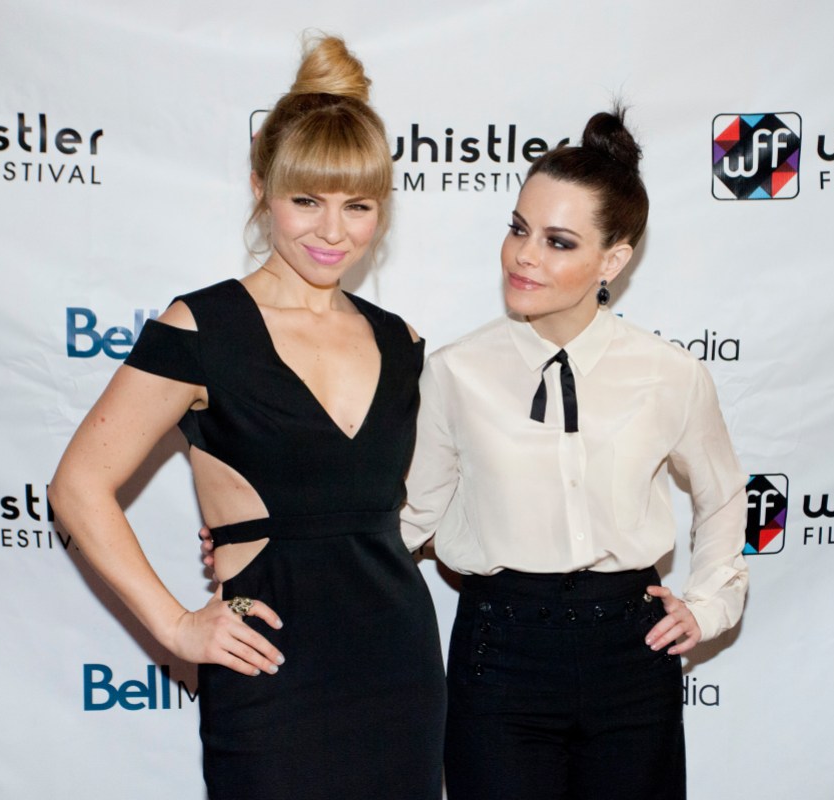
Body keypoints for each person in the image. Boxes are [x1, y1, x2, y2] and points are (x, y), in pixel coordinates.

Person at [49, 35, 445, 800]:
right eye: (307, 201)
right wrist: (173, 626)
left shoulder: (403, 342)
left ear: (382, 211)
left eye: (358, 207)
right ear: (262, 187)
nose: (333, 232)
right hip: (269, 678)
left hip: (399, 668)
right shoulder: (202, 329)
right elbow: (77, 486)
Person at [402, 108, 749, 800]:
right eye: (518, 228)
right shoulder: (454, 372)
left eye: (558, 241)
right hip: (498, 651)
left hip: (630, 652)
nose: (524, 255)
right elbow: (411, 518)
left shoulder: (668, 373)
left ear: (613, 261)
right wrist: (280, 546)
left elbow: (724, 494)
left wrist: (709, 604)